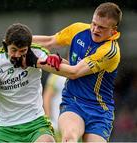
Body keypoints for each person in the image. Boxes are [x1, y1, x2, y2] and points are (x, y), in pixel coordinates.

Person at [32, 2, 123, 142]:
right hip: (73, 103)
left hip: (99, 112)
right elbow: (50, 41)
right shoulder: (78, 30)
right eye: (94, 23)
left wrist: (34, 60)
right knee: (69, 138)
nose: (95, 29)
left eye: (101, 27)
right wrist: (17, 42)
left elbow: (74, 72)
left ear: (113, 30)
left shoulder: (110, 51)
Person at [0, 23, 55, 142]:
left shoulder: (38, 53)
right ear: (5, 45)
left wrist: (57, 62)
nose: (17, 55)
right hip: (6, 130)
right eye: (13, 50)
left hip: (36, 125)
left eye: (22, 51)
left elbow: (66, 68)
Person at [43, 73, 66, 141]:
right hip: (56, 122)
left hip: (71, 121)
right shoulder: (55, 75)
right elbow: (47, 97)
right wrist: (49, 119)